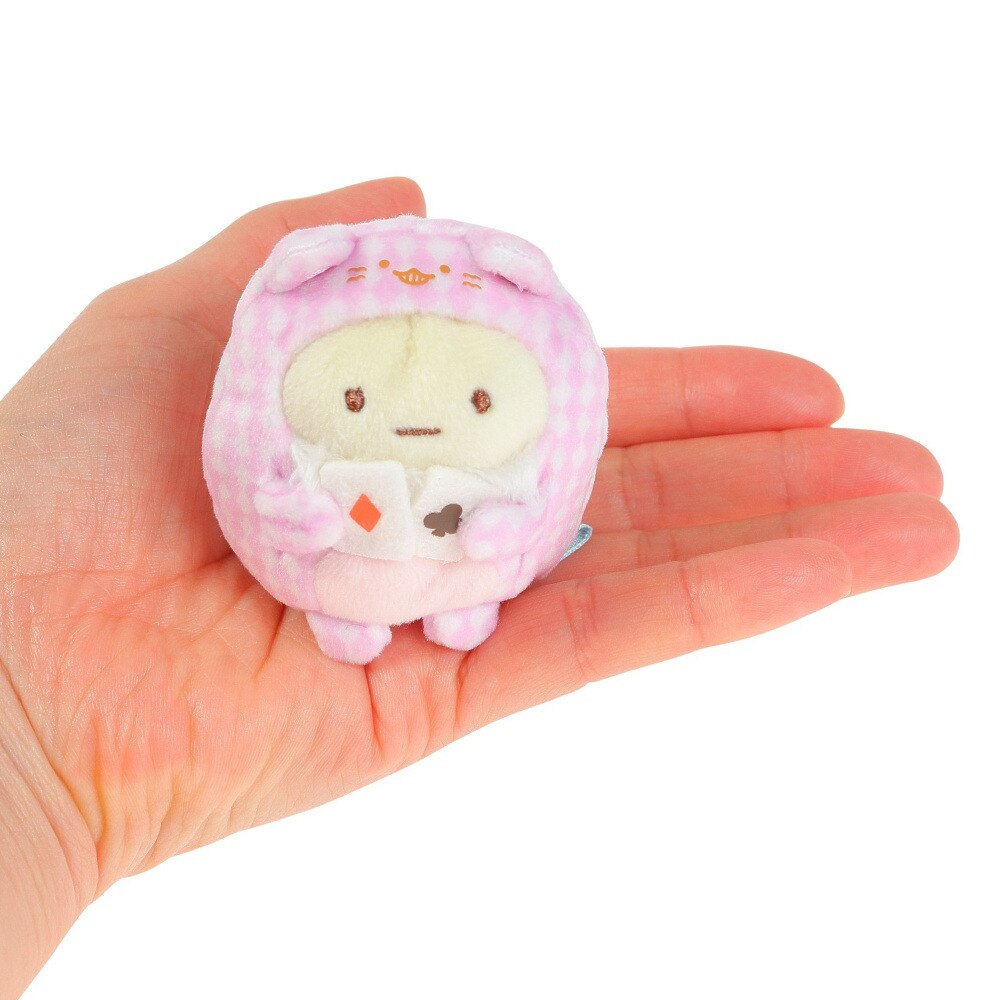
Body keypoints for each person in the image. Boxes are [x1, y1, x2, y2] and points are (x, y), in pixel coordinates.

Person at [0, 178, 959, 998]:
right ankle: (348, 612)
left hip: (468, 574)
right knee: (359, 580)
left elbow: (528, 505)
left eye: (479, 402)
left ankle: (465, 602)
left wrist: (31, 761)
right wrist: (27, 744)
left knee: (473, 571)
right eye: (355, 401)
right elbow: (266, 486)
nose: (413, 425)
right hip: (320, 580)